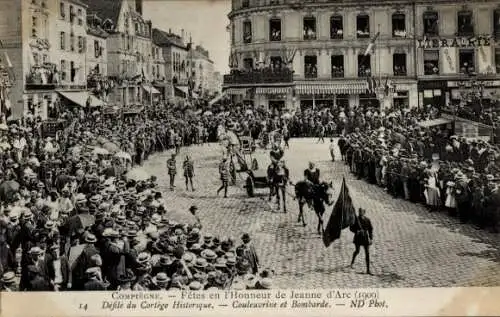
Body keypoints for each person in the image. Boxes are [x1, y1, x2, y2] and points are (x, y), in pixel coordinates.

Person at [349, 208, 373, 275]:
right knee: (357, 251)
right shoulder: (356, 219)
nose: (360, 213)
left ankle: (368, 270)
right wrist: (356, 231)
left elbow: (370, 229)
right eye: (359, 211)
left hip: (365, 237)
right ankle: (352, 262)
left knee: (367, 253)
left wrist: (371, 238)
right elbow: (351, 228)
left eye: (361, 211)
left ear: (364, 212)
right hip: (358, 237)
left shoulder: (367, 220)